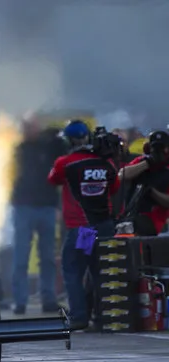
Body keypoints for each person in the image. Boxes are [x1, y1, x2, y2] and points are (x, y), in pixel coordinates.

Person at [47, 121, 120, 330]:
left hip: (84, 228)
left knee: (72, 271)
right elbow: (114, 188)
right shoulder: (106, 163)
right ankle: (104, 316)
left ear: (69, 141)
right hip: (104, 225)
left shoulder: (65, 163)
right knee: (100, 272)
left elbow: (52, 179)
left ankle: (79, 316)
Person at [10, 115, 67, 315]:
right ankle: (20, 301)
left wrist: (52, 131)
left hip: (47, 206)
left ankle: (49, 299)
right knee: (21, 257)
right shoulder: (16, 147)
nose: (28, 130)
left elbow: (63, 145)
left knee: (48, 257)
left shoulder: (49, 145)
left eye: (32, 126)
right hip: (22, 207)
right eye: (25, 126)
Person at [117, 130, 169, 236]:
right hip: (132, 215)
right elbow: (122, 175)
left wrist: (151, 192)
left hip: (156, 221)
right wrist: (148, 163)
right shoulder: (142, 161)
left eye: (162, 147)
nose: (158, 151)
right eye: (155, 147)